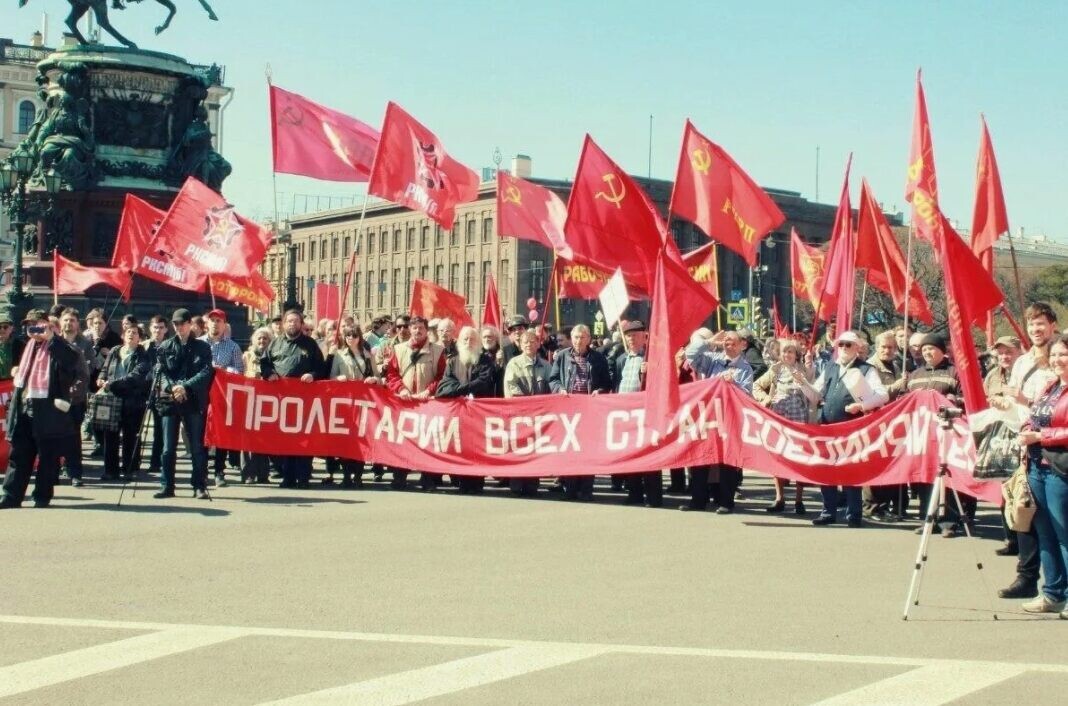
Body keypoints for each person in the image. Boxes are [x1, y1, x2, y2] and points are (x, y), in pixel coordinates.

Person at [998, 302, 1059, 600]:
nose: (1036, 329)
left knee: (1055, 520)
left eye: (1041, 323)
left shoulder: (1058, 359)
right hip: (1025, 444)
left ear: (1053, 326)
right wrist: (1004, 404)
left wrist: (1025, 401)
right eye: (1032, 324)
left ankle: (1056, 584)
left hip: (1053, 445)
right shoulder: (1022, 362)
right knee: (1024, 510)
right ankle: (1027, 576)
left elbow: (1055, 407)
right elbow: (1014, 402)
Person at [807, 331, 889, 527]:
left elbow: (882, 395)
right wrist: (802, 382)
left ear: (857, 347)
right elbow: (815, 394)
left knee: (851, 470)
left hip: (852, 426)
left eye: (848, 344)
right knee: (826, 469)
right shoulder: (830, 366)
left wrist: (861, 406)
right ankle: (828, 512)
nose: (844, 348)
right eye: (841, 344)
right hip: (827, 426)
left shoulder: (866, 369)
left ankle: (854, 514)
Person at [0, 310, 80, 509]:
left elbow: (70, 362)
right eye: (29, 325)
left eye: (37, 324)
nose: (33, 329)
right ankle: (11, 496)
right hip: (24, 408)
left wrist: (52, 338)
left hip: (47, 411)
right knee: (19, 455)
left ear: (48, 325)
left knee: (47, 457)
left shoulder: (59, 345)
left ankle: (42, 497)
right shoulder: (26, 346)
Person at [1015, 333, 1068, 618]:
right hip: (1036, 467)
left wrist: (1041, 436)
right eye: (1055, 354)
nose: (1058, 360)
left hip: (1060, 469)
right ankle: (1053, 593)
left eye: (1064, 354)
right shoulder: (1051, 386)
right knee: (1045, 532)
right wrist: (1027, 427)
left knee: (1064, 534)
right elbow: (1034, 415)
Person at [683, 328, 755, 513]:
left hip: (730, 418)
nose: (728, 345)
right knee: (701, 457)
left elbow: (747, 395)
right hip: (710, 416)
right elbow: (690, 354)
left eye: (732, 342)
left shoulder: (745, 368)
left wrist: (733, 384)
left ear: (741, 345)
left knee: (727, 460)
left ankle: (726, 502)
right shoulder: (713, 360)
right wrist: (709, 342)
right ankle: (698, 501)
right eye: (726, 342)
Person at [153, 308, 214, 500]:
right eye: (176, 324)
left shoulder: (202, 347)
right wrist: (172, 388)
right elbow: (160, 373)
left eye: (182, 323)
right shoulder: (165, 346)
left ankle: (199, 485)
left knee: (196, 446)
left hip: (193, 400)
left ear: (190, 324)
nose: (179, 327)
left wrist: (185, 387)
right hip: (170, 401)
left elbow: (206, 372)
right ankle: (167, 486)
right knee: (168, 448)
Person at [261, 309, 325, 489]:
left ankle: (303, 478)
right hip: (282, 401)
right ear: (283, 324)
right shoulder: (275, 344)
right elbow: (264, 364)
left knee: (304, 439)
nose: (292, 324)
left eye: (296, 321)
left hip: (305, 400)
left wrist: (313, 375)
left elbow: (321, 368)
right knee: (285, 439)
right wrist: (269, 373)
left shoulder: (310, 344)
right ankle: (287, 477)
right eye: (289, 321)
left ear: (301, 324)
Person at [753, 338, 817, 514]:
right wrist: (765, 399)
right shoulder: (775, 369)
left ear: (796, 354)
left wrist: (809, 369)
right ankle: (779, 498)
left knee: (799, 457)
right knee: (778, 455)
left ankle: (799, 500)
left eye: (790, 351)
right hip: (779, 415)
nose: (787, 355)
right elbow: (756, 385)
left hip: (799, 416)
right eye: (784, 351)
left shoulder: (804, 368)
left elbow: (814, 388)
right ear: (779, 354)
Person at [549, 324, 612, 501]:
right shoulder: (562, 356)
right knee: (570, 450)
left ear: (589, 339)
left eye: (582, 337)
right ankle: (570, 489)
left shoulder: (598, 358)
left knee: (588, 450)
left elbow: (607, 382)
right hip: (569, 411)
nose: (579, 341)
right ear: (571, 338)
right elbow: (553, 379)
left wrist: (599, 391)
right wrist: (560, 389)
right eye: (576, 337)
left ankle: (586, 490)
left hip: (589, 411)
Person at [384, 316, 445, 490]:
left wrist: (429, 391)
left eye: (421, 328)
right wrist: (401, 389)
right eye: (414, 328)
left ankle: (427, 479)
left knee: (427, 441)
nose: (418, 331)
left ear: (426, 330)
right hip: (405, 402)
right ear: (410, 329)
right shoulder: (398, 349)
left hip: (427, 403)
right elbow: (392, 374)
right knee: (402, 440)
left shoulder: (438, 350)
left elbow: (442, 376)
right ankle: (400, 477)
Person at [436, 325, 498, 494]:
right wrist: (464, 389)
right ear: (460, 342)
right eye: (465, 339)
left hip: (479, 414)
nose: (469, 342)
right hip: (459, 415)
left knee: (477, 448)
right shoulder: (453, 362)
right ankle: (461, 481)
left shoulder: (485, 360)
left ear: (478, 342)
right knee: (461, 448)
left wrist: (458, 389)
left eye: (472, 339)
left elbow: (484, 382)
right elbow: (443, 388)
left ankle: (477, 483)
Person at [97, 325, 152, 482]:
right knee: (110, 436)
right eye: (128, 332)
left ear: (139, 338)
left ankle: (129, 469)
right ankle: (110, 470)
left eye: (135, 333)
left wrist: (112, 384)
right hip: (112, 400)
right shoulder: (115, 351)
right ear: (123, 335)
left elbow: (135, 377)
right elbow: (105, 368)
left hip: (133, 401)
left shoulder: (143, 355)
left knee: (130, 437)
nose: (131, 335)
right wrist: (101, 378)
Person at [330, 322, 380, 487]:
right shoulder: (339, 355)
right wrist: (338, 379)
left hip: (363, 402)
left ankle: (358, 476)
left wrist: (373, 380)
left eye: (354, 335)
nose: (351, 338)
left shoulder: (367, 355)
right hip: (345, 402)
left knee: (361, 439)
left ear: (360, 337)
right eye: (348, 335)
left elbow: (378, 377)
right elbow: (330, 378)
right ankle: (346, 476)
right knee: (345, 440)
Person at [864, 331, 909, 519]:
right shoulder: (870, 368)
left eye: (891, 347)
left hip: (895, 421)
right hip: (876, 421)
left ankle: (889, 505)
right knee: (874, 464)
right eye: (884, 347)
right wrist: (898, 385)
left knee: (893, 463)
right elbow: (874, 394)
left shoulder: (897, 365)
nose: (887, 350)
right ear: (877, 347)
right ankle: (872, 507)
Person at [504, 329, 553, 497]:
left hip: (539, 417)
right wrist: (526, 405)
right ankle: (516, 484)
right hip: (519, 416)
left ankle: (532, 484)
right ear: (520, 345)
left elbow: (551, 387)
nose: (529, 345)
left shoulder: (546, 366)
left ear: (538, 344)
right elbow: (511, 387)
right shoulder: (514, 364)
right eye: (525, 342)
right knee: (519, 449)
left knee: (535, 451)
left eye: (533, 341)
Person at [200, 308, 243, 487]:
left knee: (220, 433)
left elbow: (239, 371)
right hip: (202, 395)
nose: (215, 324)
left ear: (224, 325)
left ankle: (219, 471)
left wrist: (224, 370)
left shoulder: (233, 347)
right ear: (207, 324)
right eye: (212, 320)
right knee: (200, 433)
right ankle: (201, 471)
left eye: (219, 321)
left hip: (222, 396)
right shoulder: (198, 343)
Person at [57, 308, 92, 488]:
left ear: (78, 324)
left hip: (74, 400)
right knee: (54, 437)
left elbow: (85, 374)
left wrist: (72, 392)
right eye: (65, 320)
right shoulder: (53, 343)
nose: (68, 323)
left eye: (72, 320)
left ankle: (75, 473)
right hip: (54, 399)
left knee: (72, 438)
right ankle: (54, 471)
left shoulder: (82, 346)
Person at [241, 327, 273, 484]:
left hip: (267, 403)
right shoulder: (246, 356)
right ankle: (248, 473)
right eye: (259, 338)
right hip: (248, 400)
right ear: (254, 340)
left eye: (265, 338)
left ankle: (263, 474)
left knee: (264, 438)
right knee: (248, 439)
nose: (262, 341)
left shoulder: (272, 357)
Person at [143, 315, 169, 476]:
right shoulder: (144, 346)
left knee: (159, 429)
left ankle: (156, 462)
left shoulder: (169, 346)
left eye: (161, 327)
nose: (157, 330)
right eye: (155, 327)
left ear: (166, 329)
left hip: (162, 391)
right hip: (145, 389)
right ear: (150, 328)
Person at [0, 309, 26, 381]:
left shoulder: (20, 345)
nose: (2, 330)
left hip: (12, 382)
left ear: (11, 328)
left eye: (5, 327)